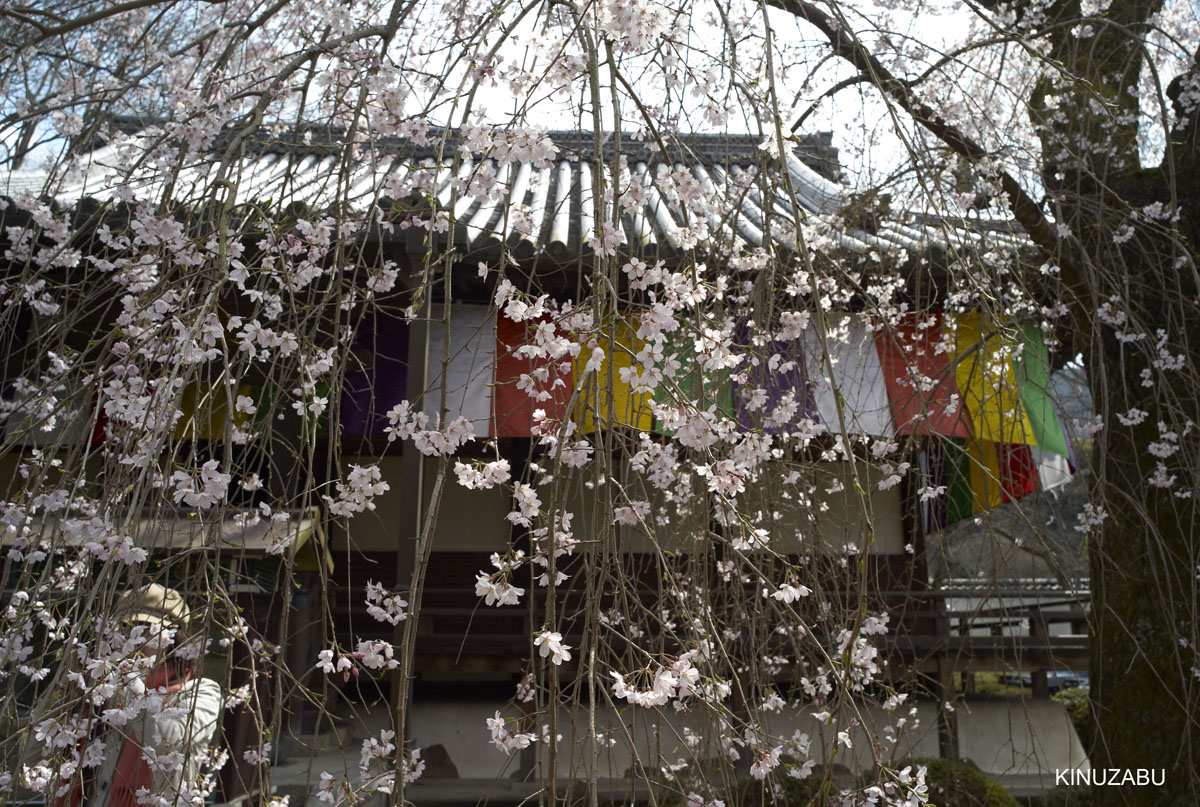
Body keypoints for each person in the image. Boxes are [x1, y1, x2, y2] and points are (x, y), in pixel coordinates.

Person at [83, 584, 222, 807]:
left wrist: (131, 683)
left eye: (146, 629)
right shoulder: (105, 691)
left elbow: (168, 739)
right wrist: (65, 691)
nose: (135, 639)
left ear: (174, 640)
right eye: (126, 629)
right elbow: (39, 756)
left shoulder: (201, 692)